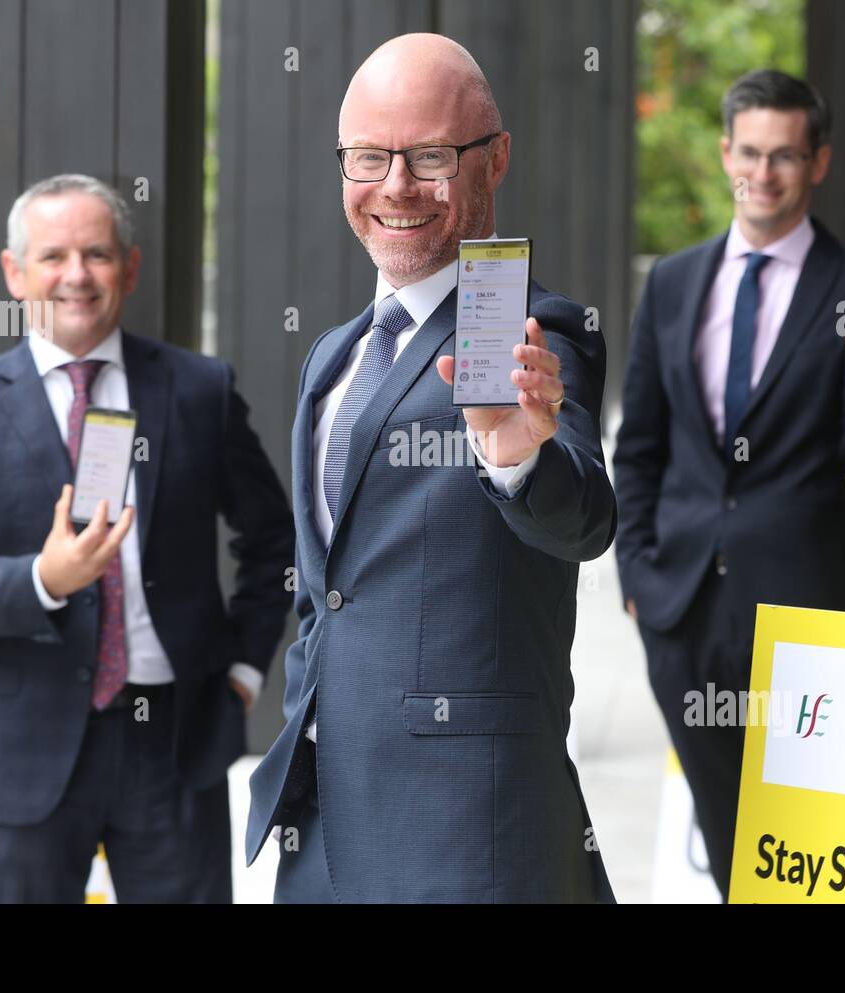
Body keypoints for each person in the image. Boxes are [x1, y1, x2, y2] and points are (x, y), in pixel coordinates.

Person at [244, 34, 617, 903]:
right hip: (323, 827)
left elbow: (583, 515)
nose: (397, 186)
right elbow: (328, 590)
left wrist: (516, 453)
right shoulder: (333, 359)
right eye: (370, 156)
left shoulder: (537, 333)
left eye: (432, 156)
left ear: (495, 161)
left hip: (466, 831)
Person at [0, 174, 294, 903]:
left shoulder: (199, 389)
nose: (76, 275)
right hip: (24, 753)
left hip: (175, 746)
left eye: (97, 253)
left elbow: (275, 541)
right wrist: (42, 580)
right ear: (14, 272)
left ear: (131, 266)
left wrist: (245, 674)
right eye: (53, 255)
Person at [614, 70, 845, 900]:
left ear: (817, 163)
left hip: (800, 617)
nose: (763, 172)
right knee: (727, 838)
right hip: (679, 611)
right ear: (725, 154)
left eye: (785, 155)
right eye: (748, 152)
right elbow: (638, 446)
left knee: (799, 845)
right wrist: (636, 577)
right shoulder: (674, 283)